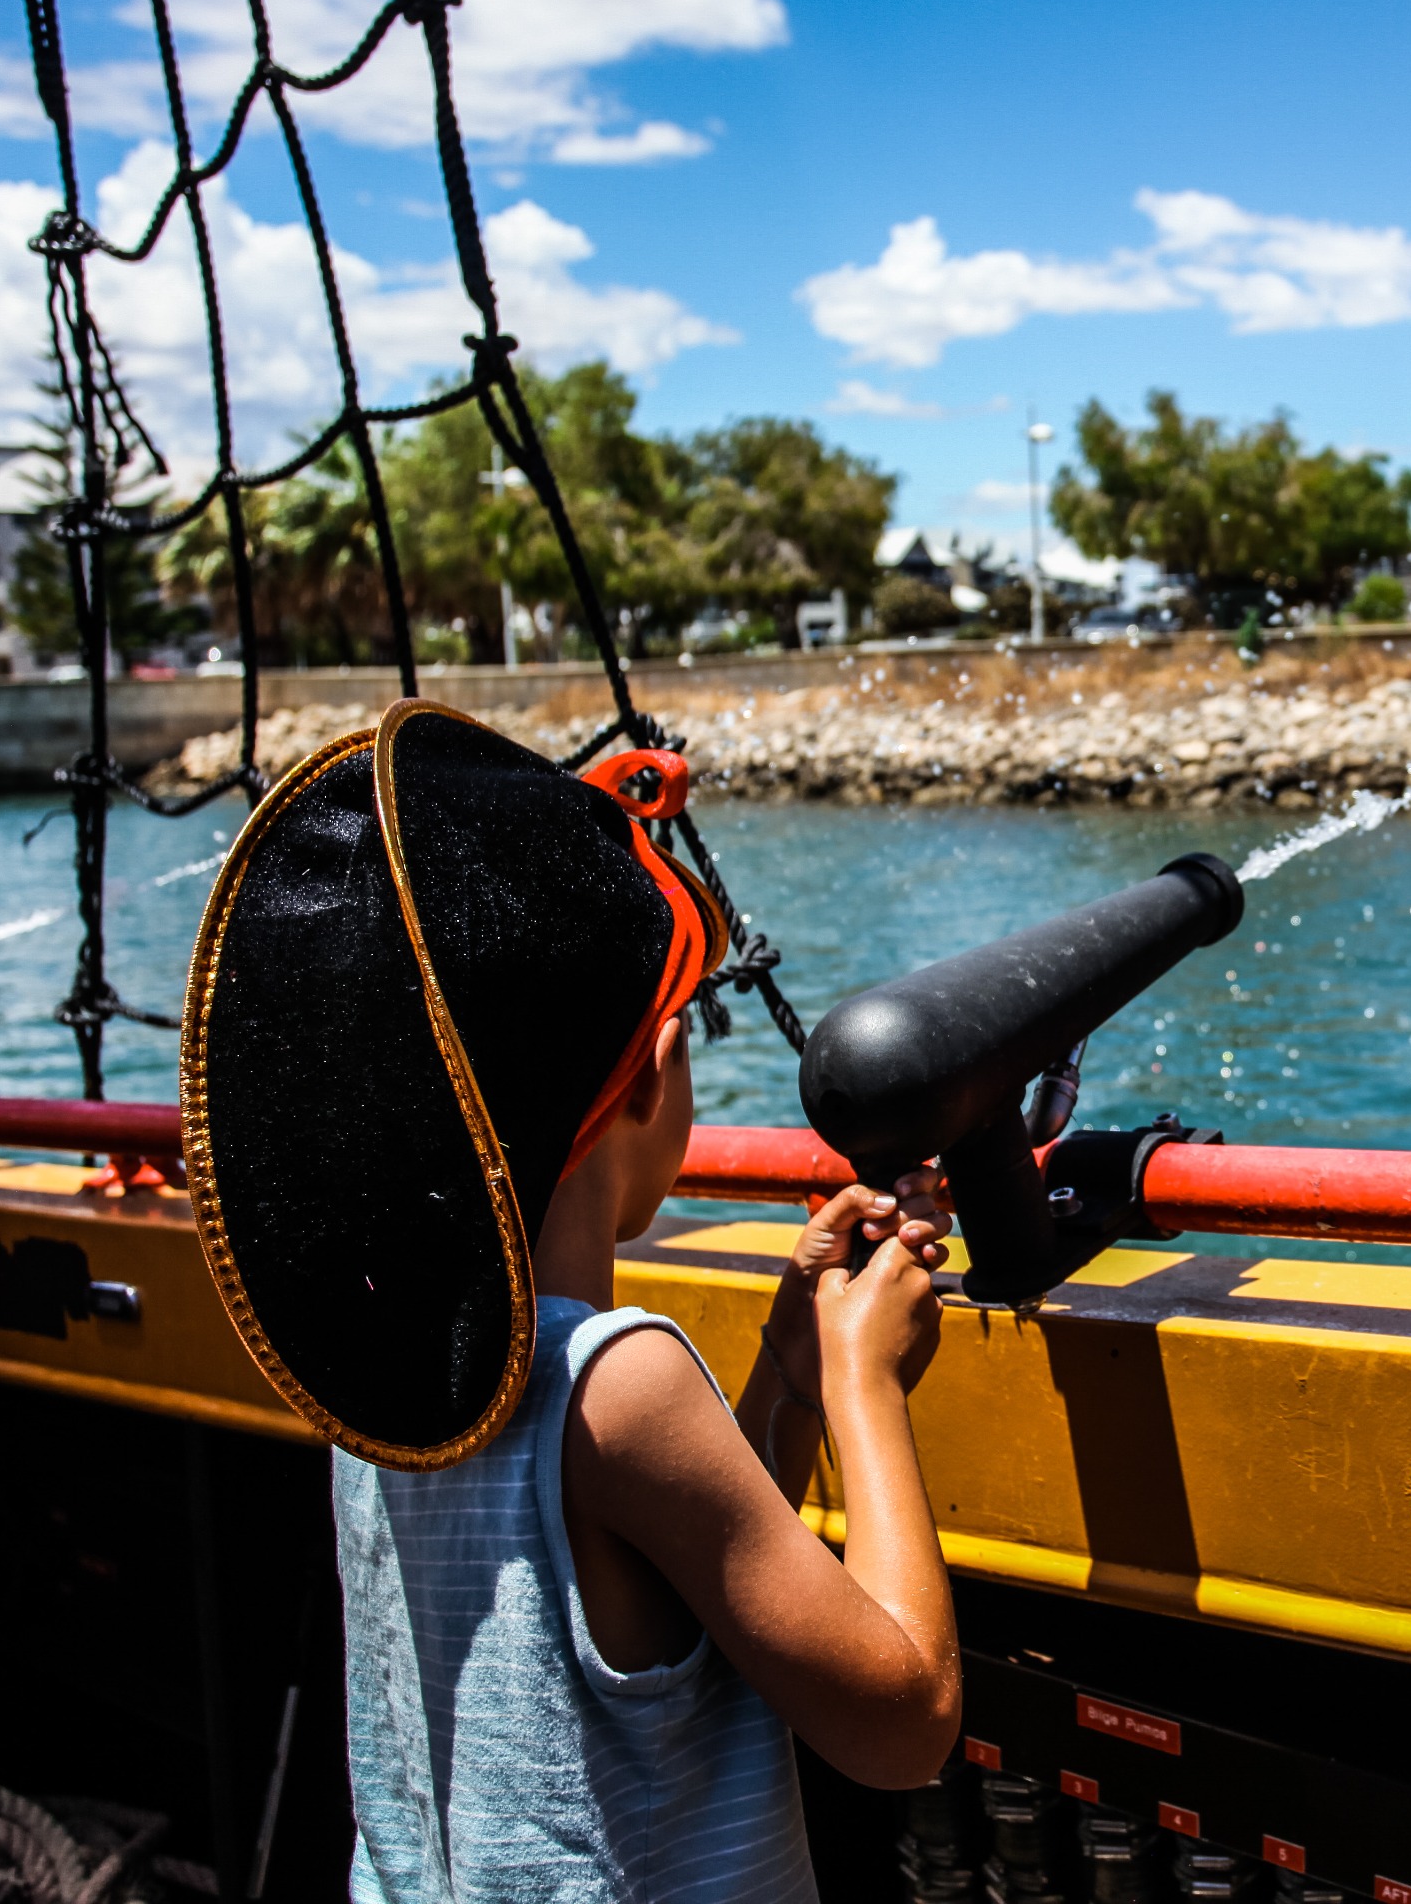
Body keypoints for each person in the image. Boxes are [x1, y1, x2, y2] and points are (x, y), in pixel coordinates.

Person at [180, 700, 961, 1901]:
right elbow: (903, 1723)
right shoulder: (620, 1380)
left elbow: (665, 1596)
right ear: (651, 1081)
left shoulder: (386, 1370)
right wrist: (865, 1385)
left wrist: (789, 1374)